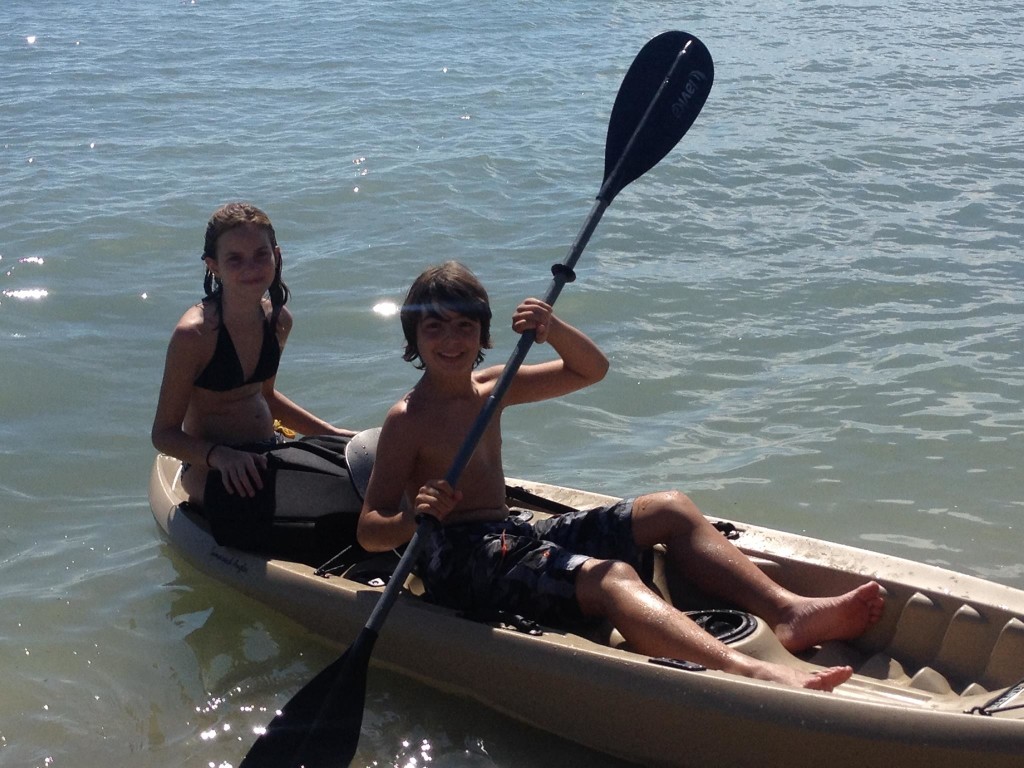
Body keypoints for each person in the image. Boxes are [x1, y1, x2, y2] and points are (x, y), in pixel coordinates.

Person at [357, 260, 884, 691]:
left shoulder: (494, 385)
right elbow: (371, 527)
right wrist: (414, 515)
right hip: (459, 557)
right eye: (435, 327)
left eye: (464, 326)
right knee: (612, 577)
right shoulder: (409, 418)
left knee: (670, 507)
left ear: (483, 335)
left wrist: (552, 328)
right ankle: (748, 670)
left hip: (510, 532)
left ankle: (789, 611)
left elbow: (590, 370)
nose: (451, 341)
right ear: (414, 336)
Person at [152, 202, 354, 505]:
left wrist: (332, 434)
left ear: (277, 254)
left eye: (261, 255)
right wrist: (221, 457)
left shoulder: (279, 321)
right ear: (213, 265)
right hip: (214, 468)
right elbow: (164, 434)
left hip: (268, 450)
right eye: (235, 259)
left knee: (363, 475)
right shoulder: (194, 335)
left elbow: (266, 397)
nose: (251, 268)